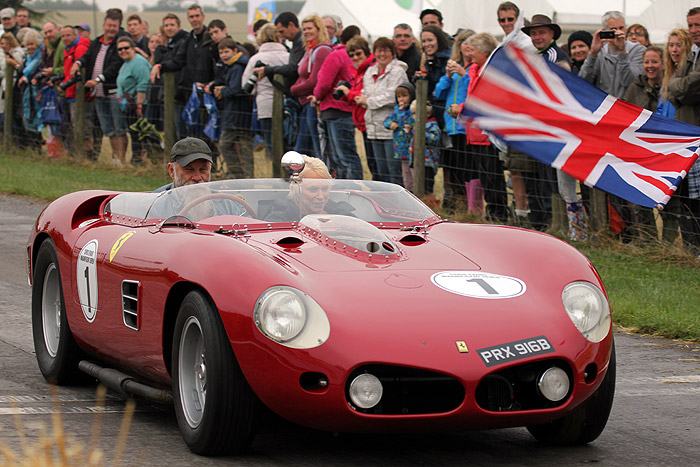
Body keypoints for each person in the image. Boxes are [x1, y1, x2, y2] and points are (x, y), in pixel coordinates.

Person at [71, 9, 129, 164]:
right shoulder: (97, 42)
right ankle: (115, 158)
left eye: (114, 26)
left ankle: (121, 159)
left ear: (118, 27)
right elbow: (87, 56)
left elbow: (115, 66)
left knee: (119, 127)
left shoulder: (120, 44)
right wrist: (78, 63)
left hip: (113, 92)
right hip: (98, 93)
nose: (111, 29)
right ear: (104, 25)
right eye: (109, 25)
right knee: (108, 128)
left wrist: (97, 80)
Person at [622, 46, 668, 242]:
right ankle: (648, 242)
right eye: (647, 62)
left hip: (666, 152)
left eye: (654, 61)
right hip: (641, 153)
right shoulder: (635, 88)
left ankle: (669, 245)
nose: (650, 66)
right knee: (640, 200)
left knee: (671, 203)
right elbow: (625, 116)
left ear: (663, 64)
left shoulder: (670, 87)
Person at [462, 32, 508, 223]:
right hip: (474, 133)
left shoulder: (492, 73)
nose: (469, 53)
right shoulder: (474, 71)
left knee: (493, 177)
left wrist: (462, 109)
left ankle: (499, 214)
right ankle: (492, 213)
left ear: (484, 51)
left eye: (473, 50)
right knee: (485, 177)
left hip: (488, 135)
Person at [667, 7, 700, 254]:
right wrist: (681, 87)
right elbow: (675, 89)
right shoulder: (693, 55)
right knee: (688, 196)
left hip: (695, 132)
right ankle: (691, 249)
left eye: (698, 25)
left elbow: (686, 87)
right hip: (688, 135)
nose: (694, 30)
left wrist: (680, 87)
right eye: (691, 25)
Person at [313, 26, 362, 179]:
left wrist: (317, 96)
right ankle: (354, 187)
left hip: (335, 108)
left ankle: (349, 188)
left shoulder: (336, 55)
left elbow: (324, 83)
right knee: (347, 155)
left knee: (342, 157)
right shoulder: (358, 56)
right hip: (351, 108)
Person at [357, 37, 408, 185]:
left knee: (394, 170)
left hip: (392, 128)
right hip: (373, 127)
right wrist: (362, 98)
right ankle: (383, 199)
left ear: (392, 53)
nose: (382, 54)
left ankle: (397, 198)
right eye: (379, 50)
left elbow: (393, 96)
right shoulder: (370, 71)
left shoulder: (397, 71)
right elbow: (366, 91)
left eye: (386, 50)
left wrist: (368, 101)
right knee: (380, 170)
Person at [434, 29, 473, 210]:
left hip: (467, 126)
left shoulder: (474, 69)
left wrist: (464, 74)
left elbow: (474, 90)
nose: (467, 45)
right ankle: (458, 204)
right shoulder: (454, 68)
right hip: (451, 126)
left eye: (471, 42)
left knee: (468, 168)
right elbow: (438, 93)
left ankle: (470, 206)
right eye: (464, 41)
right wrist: (448, 76)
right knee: (453, 168)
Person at [241, 23, 289, 158]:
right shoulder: (287, 56)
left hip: (265, 105)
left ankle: (276, 169)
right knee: (287, 143)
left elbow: (246, 86)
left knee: (271, 144)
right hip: (286, 104)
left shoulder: (255, 59)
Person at [289, 14, 332, 158]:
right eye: (304, 29)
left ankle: (323, 172)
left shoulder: (321, 51)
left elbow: (314, 81)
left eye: (310, 28)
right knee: (303, 150)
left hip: (313, 104)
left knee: (318, 148)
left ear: (319, 29)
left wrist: (292, 90)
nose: (307, 32)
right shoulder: (309, 50)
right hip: (305, 104)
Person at [263, 155, 355, 222]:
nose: (321, 196)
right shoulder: (279, 220)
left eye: (324, 189)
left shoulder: (342, 213)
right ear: (295, 190)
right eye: (313, 189)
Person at [335, 35, 377, 179]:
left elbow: (366, 94)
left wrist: (350, 94)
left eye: (358, 53)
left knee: (378, 165)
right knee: (372, 164)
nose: (355, 57)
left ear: (366, 51)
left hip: (372, 121)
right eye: (351, 55)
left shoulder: (371, 69)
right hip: (363, 123)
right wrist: (346, 94)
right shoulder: (357, 71)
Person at [580, 11, 645, 99]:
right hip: (604, 103)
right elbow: (584, 81)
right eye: (613, 29)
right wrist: (593, 53)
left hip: (628, 104)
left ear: (626, 29)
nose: (618, 32)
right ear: (605, 31)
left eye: (621, 28)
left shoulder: (638, 50)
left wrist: (622, 52)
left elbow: (629, 82)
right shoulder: (600, 52)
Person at [214, 37, 253, 179]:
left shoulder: (237, 67)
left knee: (227, 144)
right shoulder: (233, 65)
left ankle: (238, 174)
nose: (223, 55)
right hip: (238, 112)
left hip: (237, 113)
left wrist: (222, 90)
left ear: (235, 51)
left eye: (226, 52)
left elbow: (236, 90)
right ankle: (245, 176)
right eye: (221, 53)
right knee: (243, 146)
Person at [150, 13, 189, 139]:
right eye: (166, 25)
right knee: (171, 131)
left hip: (180, 93)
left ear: (179, 26)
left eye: (172, 25)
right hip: (170, 93)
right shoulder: (170, 43)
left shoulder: (183, 41)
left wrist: (160, 66)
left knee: (180, 131)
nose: (169, 28)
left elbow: (177, 62)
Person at [116, 36, 151, 165]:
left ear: (133, 48)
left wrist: (139, 106)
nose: (123, 51)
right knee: (133, 133)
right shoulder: (126, 63)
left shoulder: (139, 63)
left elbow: (143, 85)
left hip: (138, 105)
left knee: (139, 134)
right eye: (120, 49)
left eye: (126, 48)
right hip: (129, 106)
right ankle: (136, 160)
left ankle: (139, 160)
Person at [60, 25, 91, 155]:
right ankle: (78, 153)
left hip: (78, 94)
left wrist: (64, 84)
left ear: (75, 35)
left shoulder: (80, 49)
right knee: (75, 124)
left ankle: (86, 155)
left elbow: (80, 72)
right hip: (71, 92)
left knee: (82, 126)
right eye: (63, 36)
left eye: (68, 35)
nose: (65, 38)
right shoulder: (68, 49)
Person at [257, 12, 304, 96]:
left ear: (291, 25)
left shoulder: (301, 43)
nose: (281, 36)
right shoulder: (297, 43)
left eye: (282, 31)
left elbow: (293, 69)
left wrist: (268, 70)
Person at [408, 99, 441, 204]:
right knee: (419, 186)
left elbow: (435, 139)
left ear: (427, 113)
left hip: (428, 163)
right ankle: (422, 206)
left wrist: (421, 133)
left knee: (427, 188)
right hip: (417, 161)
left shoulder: (432, 125)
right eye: (413, 113)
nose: (415, 116)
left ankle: (432, 207)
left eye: (417, 113)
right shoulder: (416, 126)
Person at [384, 81, 415, 189]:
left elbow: (407, 121)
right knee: (405, 172)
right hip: (401, 148)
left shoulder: (412, 111)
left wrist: (401, 111)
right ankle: (408, 190)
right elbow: (387, 120)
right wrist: (391, 124)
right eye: (399, 97)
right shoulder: (396, 111)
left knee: (413, 172)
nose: (401, 99)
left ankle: (417, 191)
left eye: (405, 96)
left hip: (411, 148)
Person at [419, 25, 451, 131]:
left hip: (447, 111)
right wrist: (423, 69)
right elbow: (425, 91)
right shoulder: (428, 60)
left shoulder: (449, 59)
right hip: (435, 111)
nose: (427, 44)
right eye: (424, 41)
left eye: (430, 40)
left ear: (439, 40)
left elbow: (440, 88)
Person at [18, 29, 43, 150]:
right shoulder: (28, 57)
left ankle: (38, 146)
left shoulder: (40, 56)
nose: (30, 47)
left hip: (37, 91)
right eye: (27, 44)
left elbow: (29, 71)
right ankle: (34, 146)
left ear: (37, 44)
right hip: (29, 92)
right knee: (29, 116)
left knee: (38, 117)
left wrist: (25, 77)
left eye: (32, 44)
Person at [0, 33, 25, 129]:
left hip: (14, 86)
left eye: (4, 43)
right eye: (1, 44)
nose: (2, 46)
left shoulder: (17, 53)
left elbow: (18, 68)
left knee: (11, 113)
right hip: (6, 86)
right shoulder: (6, 54)